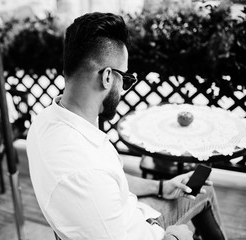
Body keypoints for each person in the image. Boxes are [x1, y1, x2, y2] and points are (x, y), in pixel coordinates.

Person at [26, 12, 227, 240]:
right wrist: (176, 236)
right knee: (204, 197)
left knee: (203, 189)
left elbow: (112, 182)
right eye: (127, 79)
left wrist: (161, 187)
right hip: (151, 232)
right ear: (108, 77)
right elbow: (95, 182)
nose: (124, 90)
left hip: (135, 214)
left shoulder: (45, 121)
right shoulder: (84, 172)